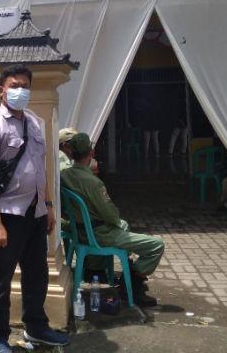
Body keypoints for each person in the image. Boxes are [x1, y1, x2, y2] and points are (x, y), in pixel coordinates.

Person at [0, 65, 69, 353]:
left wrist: (48, 206)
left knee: (37, 274)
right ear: (1, 90)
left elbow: (41, 168)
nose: (20, 90)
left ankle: (36, 327)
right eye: (14, 85)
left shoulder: (35, 122)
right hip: (7, 215)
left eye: (25, 85)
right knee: (1, 280)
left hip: (35, 214)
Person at [61, 132, 165, 307]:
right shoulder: (93, 182)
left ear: (71, 152)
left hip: (80, 231)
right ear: (91, 153)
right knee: (156, 245)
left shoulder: (64, 175)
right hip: (100, 234)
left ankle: (109, 270)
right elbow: (111, 215)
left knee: (123, 225)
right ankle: (132, 283)